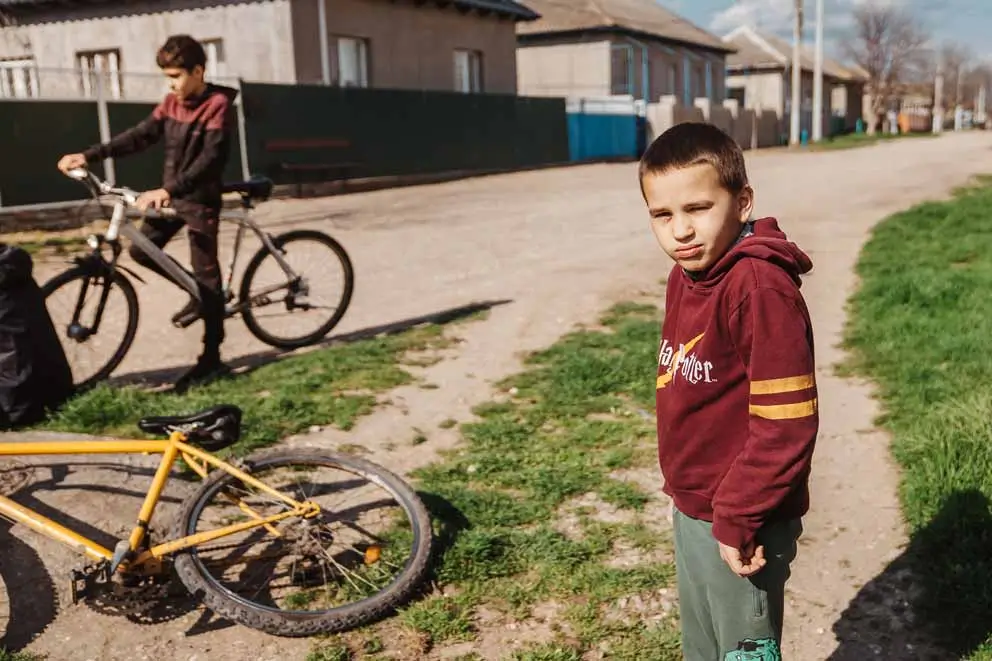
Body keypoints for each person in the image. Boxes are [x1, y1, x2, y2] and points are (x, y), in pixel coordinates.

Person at [641, 122, 818, 661]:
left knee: (742, 651)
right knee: (703, 646)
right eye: (662, 215)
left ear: (741, 201)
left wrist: (739, 516)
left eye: (697, 208)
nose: (680, 232)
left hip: (746, 520)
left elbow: (786, 427)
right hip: (696, 505)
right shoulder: (687, 275)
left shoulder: (759, 288)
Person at [57, 34, 238, 391]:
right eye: (167, 77)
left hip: (199, 199)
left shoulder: (218, 104)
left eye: (176, 76)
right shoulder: (172, 103)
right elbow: (140, 135)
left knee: (208, 278)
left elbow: (211, 161)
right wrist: (90, 155)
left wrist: (167, 190)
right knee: (141, 249)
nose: (171, 84)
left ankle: (212, 358)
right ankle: (199, 297)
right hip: (169, 198)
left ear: (198, 71)